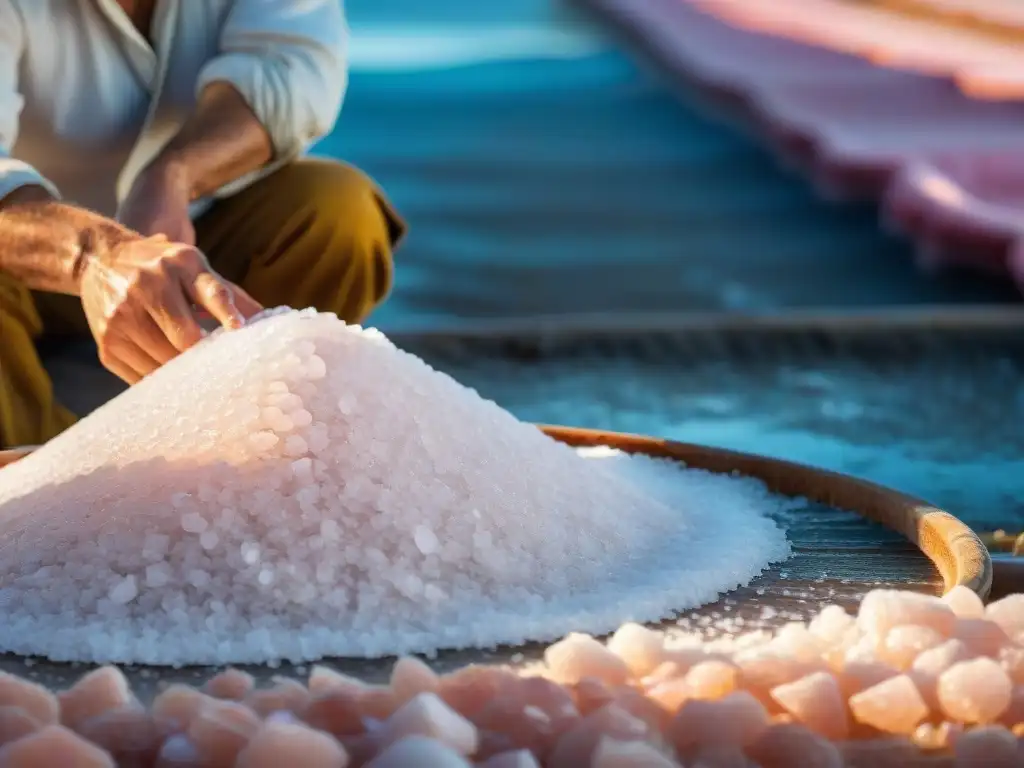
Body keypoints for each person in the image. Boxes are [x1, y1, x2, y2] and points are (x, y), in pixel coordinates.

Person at [0, 0, 405, 449]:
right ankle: (46, 477)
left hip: (188, 237)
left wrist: (175, 175)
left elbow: (291, 69)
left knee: (337, 210)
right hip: (22, 261)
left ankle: (263, 434)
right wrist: (95, 255)